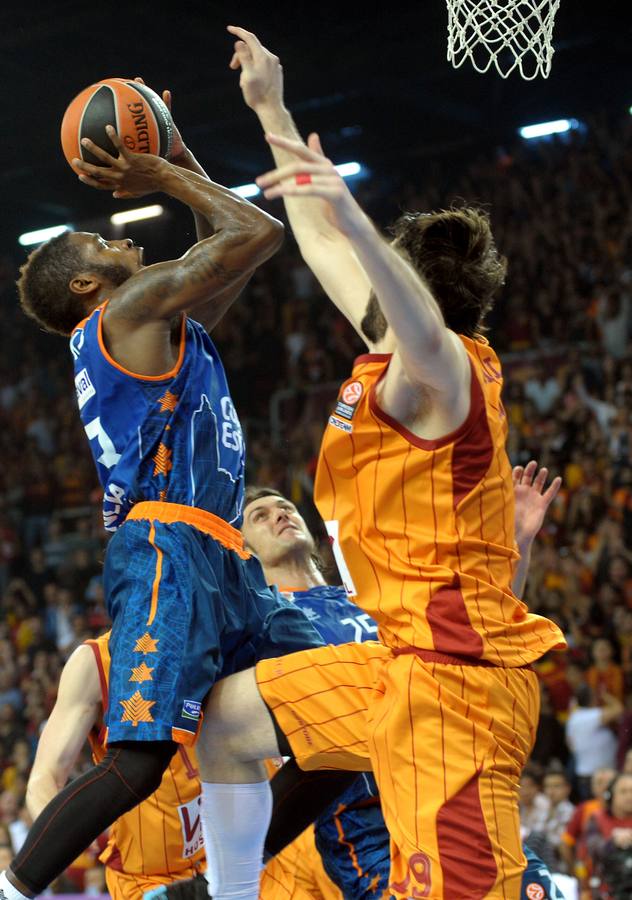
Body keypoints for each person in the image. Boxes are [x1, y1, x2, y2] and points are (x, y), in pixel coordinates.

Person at [191, 26, 567, 899]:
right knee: (227, 726)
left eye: (389, 282)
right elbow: (318, 241)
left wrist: (356, 215)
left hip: (457, 699)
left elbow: (408, 309)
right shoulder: (387, 356)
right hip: (396, 660)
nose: (365, 289)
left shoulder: (445, 374)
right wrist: (271, 107)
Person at [2, 84, 323, 900]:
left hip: (218, 556)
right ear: (85, 287)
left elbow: (236, 240)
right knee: (141, 761)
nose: (110, 232)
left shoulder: (154, 321)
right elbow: (259, 229)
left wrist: (176, 155)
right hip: (168, 547)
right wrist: (164, 173)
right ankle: (14, 887)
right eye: (92, 239)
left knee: (330, 726)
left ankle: (221, 891)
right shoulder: (134, 307)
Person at [25, 631, 207, 900]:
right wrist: (60, 843)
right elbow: (44, 779)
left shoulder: (219, 633)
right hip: (148, 880)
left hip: (230, 856)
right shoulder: (94, 662)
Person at [565, 685, 622, 799]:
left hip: (585, 774)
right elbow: (618, 709)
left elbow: (569, 744)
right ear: (592, 698)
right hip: (597, 777)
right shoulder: (591, 715)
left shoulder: (573, 717)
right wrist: (605, 696)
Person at [585, 773, 632, 899]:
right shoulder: (597, 818)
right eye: (623, 791)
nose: (629, 796)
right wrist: (612, 842)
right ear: (610, 796)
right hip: (607, 888)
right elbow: (592, 848)